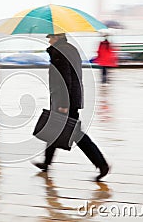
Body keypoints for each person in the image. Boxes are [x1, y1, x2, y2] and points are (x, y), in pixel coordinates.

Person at [33, 33, 110, 181]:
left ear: (56, 38)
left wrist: (63, 103)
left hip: (65, 100)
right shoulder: (71, 49)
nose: (48, 40)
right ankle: (47, 163)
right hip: (71, 97)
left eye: (50, 37)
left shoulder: (59, 52)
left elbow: (64, 78)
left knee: (76, 134)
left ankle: (102, 164)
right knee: (54, 129)